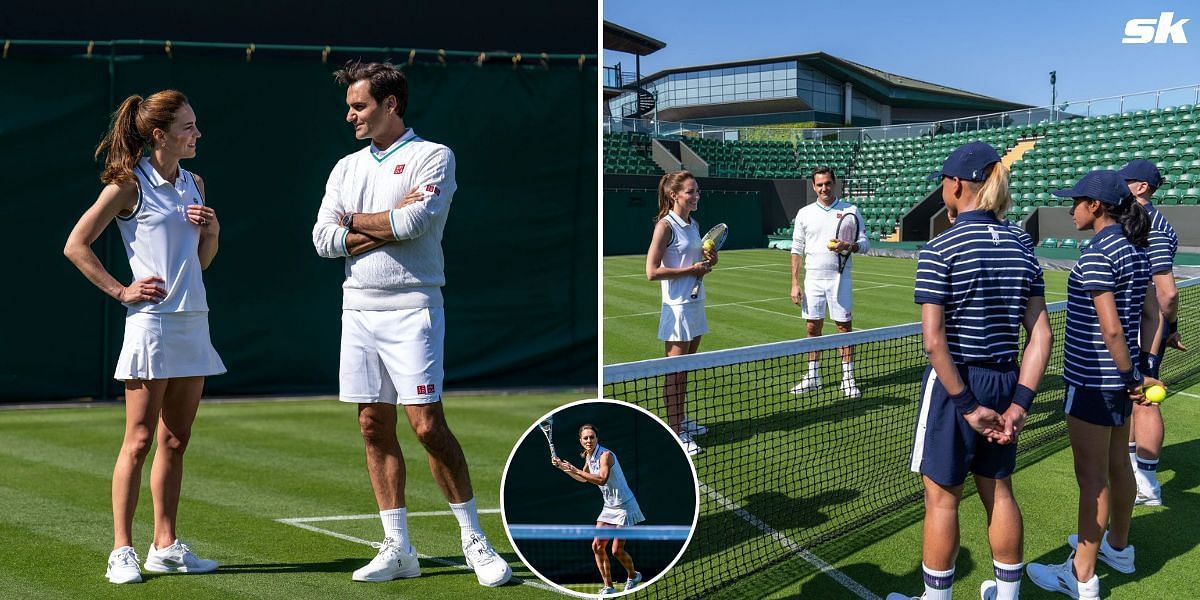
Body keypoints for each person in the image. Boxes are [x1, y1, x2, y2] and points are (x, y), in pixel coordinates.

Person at [310, 60, 510, 587]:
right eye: (350, 106)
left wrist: (353, 222)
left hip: (413, 308)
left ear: (390, 104)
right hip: (357, 308)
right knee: (373, 425)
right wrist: (376, 224)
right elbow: (322, 240)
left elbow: (414, 222)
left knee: (426, 426)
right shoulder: (345, 168)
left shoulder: (433, 156)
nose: (350, 115)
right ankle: (398, 548)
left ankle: (474, 540)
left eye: (359, 106)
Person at [64, 90, 225, 584]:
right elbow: (76, 244)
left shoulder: (194, 184)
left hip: (193, 320)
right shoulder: (127, 185)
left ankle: (165, 545)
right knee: (138, 440)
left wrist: (213, 233)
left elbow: (195, 265)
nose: (196, 134)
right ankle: (121, 549)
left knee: (176, 440)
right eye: (188, 127)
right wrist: (121, 290)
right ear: (160, 135)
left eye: (196, 125)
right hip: (151, 325)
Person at [888, 142, 1052, 600]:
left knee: (942, 500)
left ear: (957, 184)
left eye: (944, 180)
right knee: (999, 491)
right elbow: (1041, 336)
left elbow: (933, 341)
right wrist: (1019, 404)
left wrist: (965, 405)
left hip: (954, 385)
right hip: (1005, 383)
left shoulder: (941, 246)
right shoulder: (1022, 243)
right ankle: (1007, 594)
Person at [1026, 170, 1163, 599]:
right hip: (1119, 382)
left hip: (1094, 382)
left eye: (1077, 201)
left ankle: (1081, 574)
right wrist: (1142, 371)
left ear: (1097, 207)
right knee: (1119, 467)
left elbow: (1113, 330)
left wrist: (1129, 378)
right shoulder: (1135, 250)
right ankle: (1117, 547)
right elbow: (1152, 315)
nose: (1071, 209)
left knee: (1092, 478)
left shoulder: (1098, 255)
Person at [1118, 159, 1185, 506]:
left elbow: (1167, 292)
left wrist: (1166, 327)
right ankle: (1135, 471)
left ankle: (1147, 483)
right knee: (1136, 398)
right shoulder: (1137, 219)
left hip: (1145, 328)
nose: (1120, 186)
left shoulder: (1152, 226)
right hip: (1142, 324)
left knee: (1145, 398)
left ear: (1141, 187)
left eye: (1125, 181)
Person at [645, 170, 716, 456]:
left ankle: (681, 419)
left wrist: (708, 261)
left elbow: (695, 261)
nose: (696, 195)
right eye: (691, 191)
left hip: (696, 303)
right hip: (677, 309)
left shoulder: (693, 223)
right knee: (674, 374)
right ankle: (675, 431)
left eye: (697, 190)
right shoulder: (665, 226)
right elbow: (651, 272)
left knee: (684, 371)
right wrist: (691, 269)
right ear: (674, 195)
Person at [789, 166, 870, 398]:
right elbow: (797, 250)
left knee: (844, 328)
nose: (824, 188)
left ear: (834, 184)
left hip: (840, 279)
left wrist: (849, 246)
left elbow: (864, 243)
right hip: (812, 279)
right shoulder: (804, 213)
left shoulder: (851, 210)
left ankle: (848, 378)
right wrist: (795, 283)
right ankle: (813, 376)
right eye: (819, 184)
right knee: (812, 327)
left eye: (827, 183)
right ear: (814, 186)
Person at [552, 424, 645, 595]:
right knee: (597, 546)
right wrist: (562, 467)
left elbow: (601, 479)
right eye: (585, 438)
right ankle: (608, 586)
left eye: (591, 437)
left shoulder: (605, 455)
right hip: (609, 507)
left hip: (625, 506)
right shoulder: (589, 456)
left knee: (616, 550)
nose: (589, 440)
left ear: (597, 438)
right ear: (581, 440)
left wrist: (576, 469)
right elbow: (583, 479)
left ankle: (633, 575)